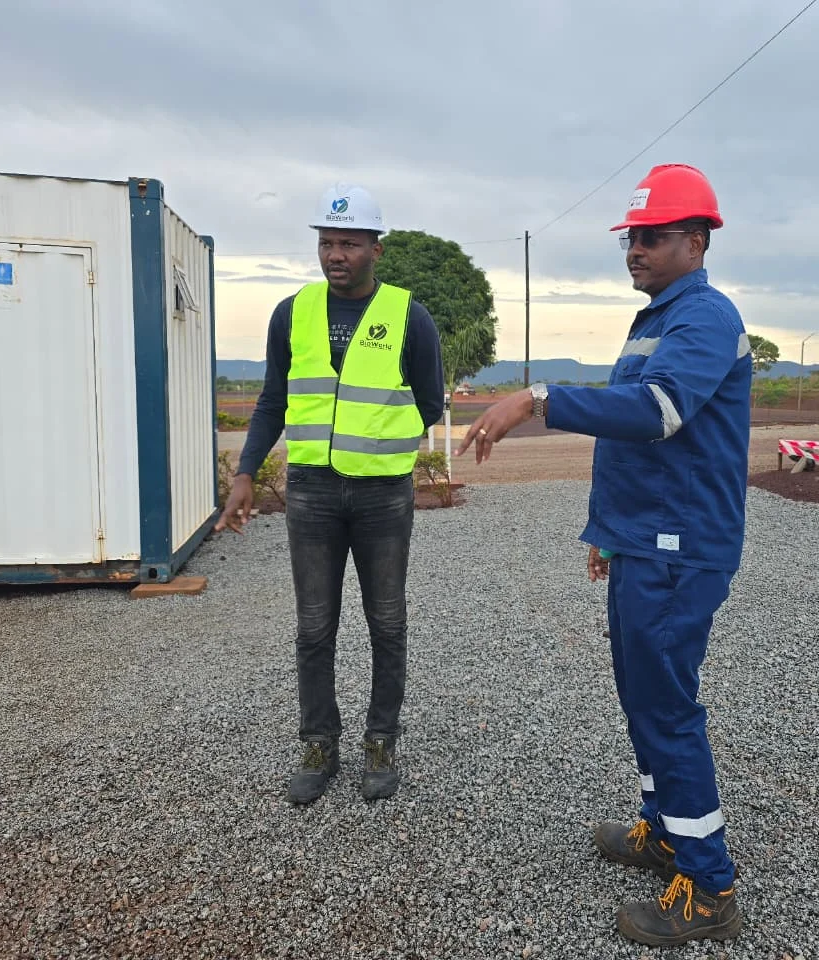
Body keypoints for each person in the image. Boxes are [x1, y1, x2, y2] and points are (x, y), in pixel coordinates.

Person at [456, 164, 751, 947]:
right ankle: (666, 833)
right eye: (632, 237)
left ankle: (709, 885)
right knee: (641, 697)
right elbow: (641, 450)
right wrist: (608, 531)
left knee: (666, 706)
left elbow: (654, 414)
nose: (636, 250)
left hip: (682, 550)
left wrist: (540, 397)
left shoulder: (707, 318)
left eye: (652, 237)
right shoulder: (657, 317)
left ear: (696, 240)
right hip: (645, 543)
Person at [215, 183, 445, 805]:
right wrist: (245, 472)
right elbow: (272, 400)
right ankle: (319, 745)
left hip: (382, 496)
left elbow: (429, 402)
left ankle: (380, 742)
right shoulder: (293, 313)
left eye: (348, 242)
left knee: (387, 622)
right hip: (313, 492)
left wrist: (380, 442)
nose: (335, 254)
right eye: (326, 242)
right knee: (314, 626)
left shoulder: (408, 316)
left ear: (375, 247)